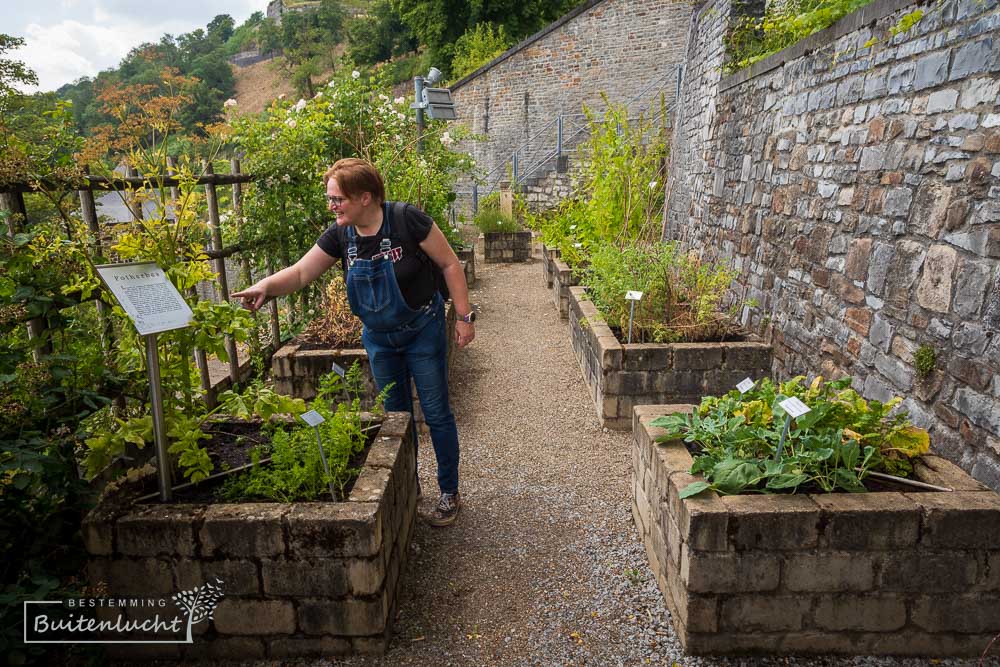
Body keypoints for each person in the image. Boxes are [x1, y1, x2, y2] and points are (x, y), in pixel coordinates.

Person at [232, 158, 475, 526]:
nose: (332, 207)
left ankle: (448, 492)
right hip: (379, 340)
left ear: (365, 197)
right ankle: (408, 488)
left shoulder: (407, 219)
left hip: (421, 330)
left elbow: (449, 264)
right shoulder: (340, 236)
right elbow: (300, 272)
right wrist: (265, 286)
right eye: (330, 199)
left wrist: (462, 316)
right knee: (395, 418)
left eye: (337, 199)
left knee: (436, 413)